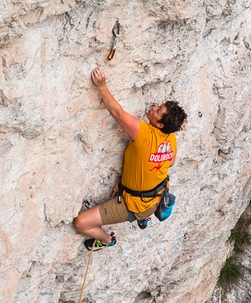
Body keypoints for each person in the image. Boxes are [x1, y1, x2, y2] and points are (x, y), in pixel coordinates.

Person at [73, 67, 187, 250]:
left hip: (133, 204)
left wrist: (101, 85)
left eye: (157, 110)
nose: (152, 108)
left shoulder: (145, 134)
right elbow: (171, 161)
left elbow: (117, 113)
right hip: (155, 196)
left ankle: (107, 240)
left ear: (159, 124)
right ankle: (144, 217)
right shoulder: (171, 138)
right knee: (145, 200)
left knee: (81, 223)